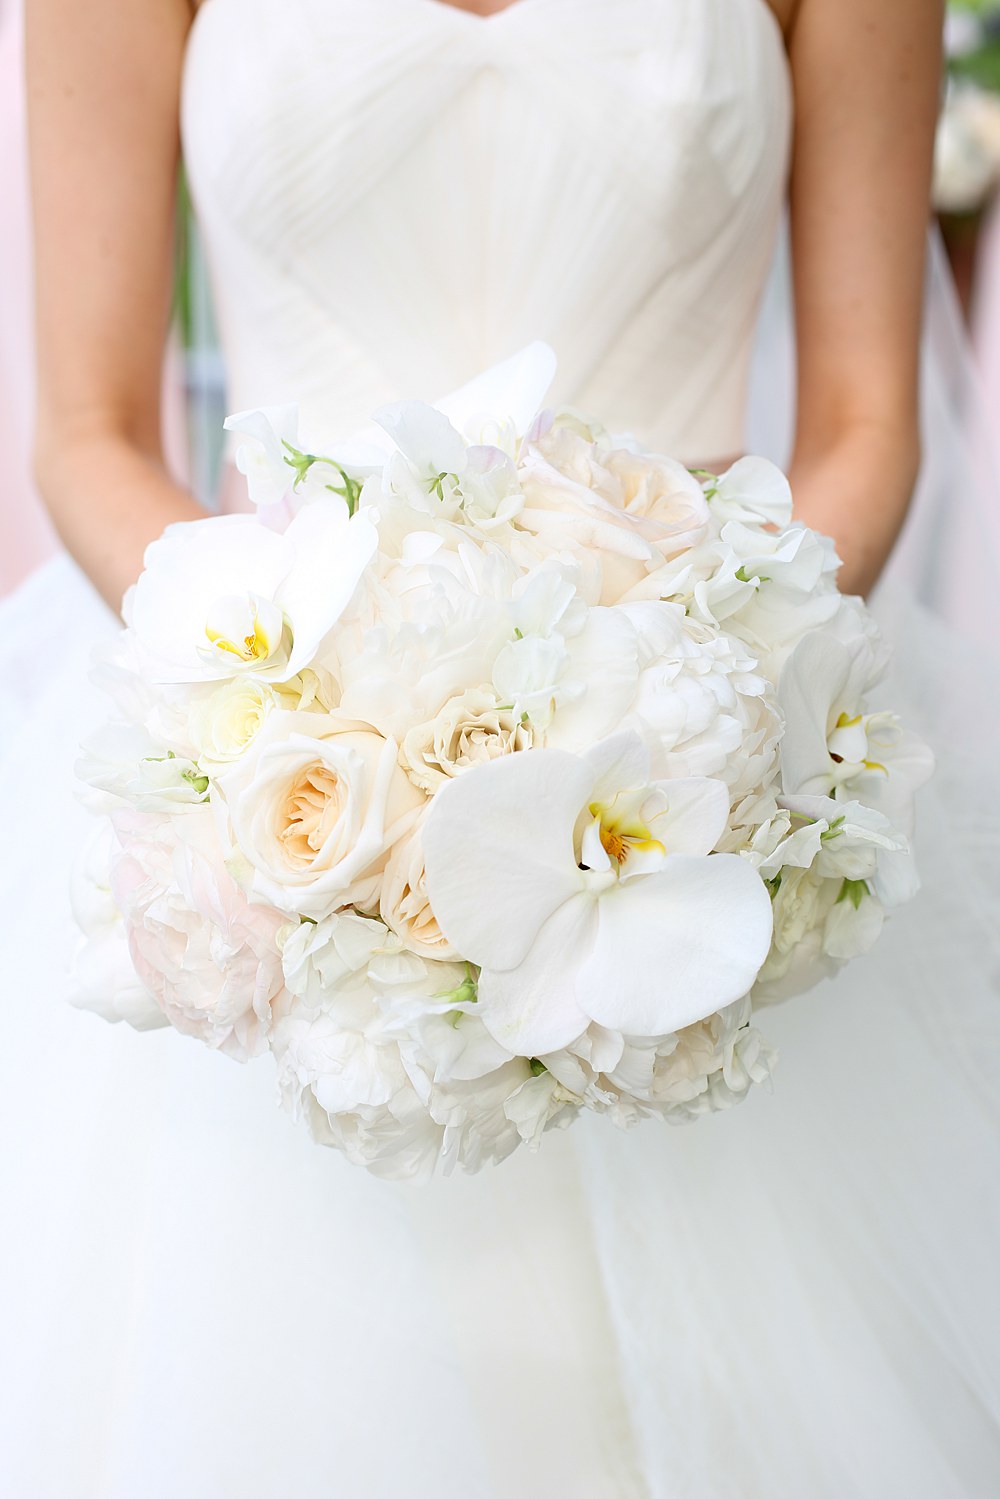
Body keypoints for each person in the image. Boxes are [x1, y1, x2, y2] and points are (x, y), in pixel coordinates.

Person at [1, 1, 997, 1494]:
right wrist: (300, 712)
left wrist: (680, 686)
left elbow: (868, 421)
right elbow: (85, 426)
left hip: (684, 772)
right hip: (272, 742)